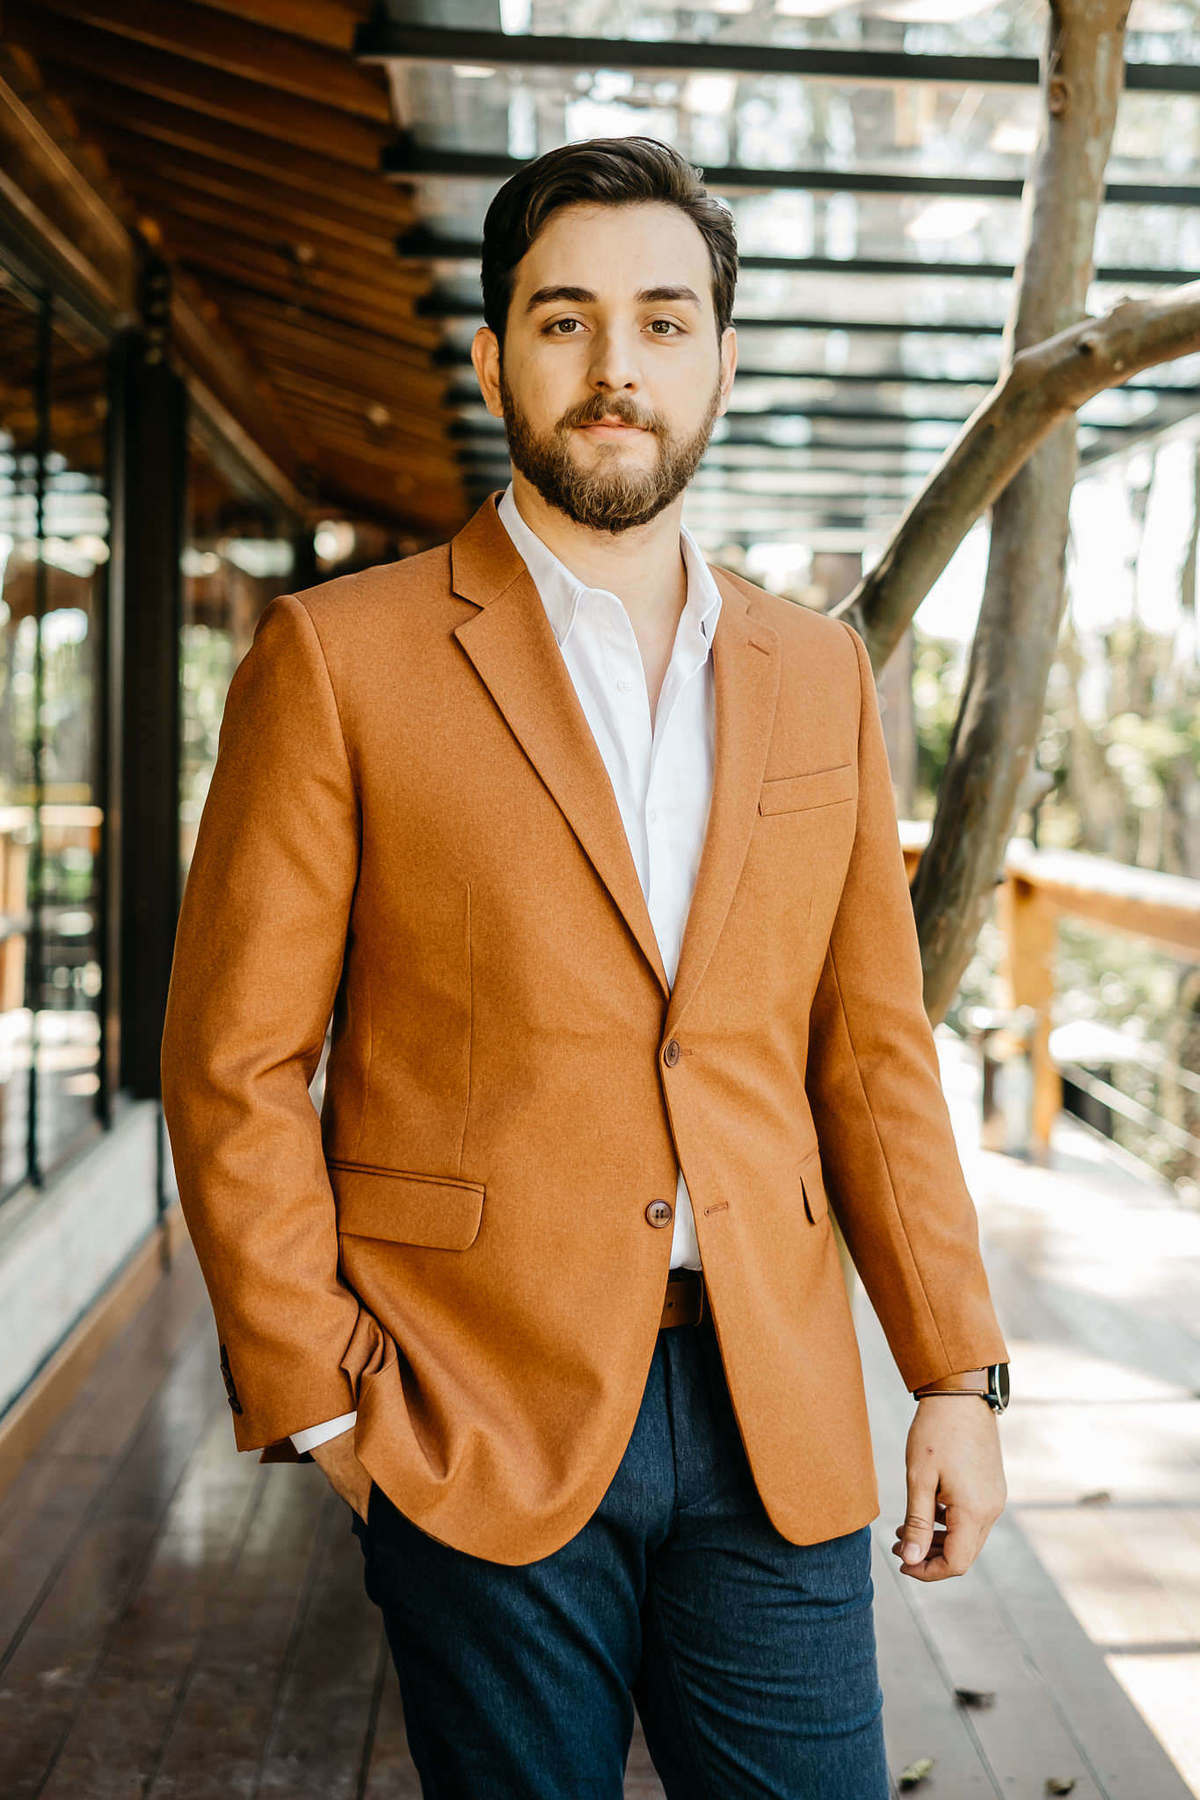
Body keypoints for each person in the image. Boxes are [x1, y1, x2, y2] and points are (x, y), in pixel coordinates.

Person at [159, 134, 1010, 1800]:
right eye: (565, 321)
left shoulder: (817, 669)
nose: (618, 367)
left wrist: (953, 1370)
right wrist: (328, 1410)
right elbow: (234, 1062)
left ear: (722, 358)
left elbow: (872, 1051)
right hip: (473, 1392)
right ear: (493, 355)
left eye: (663, 321)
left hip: (776, 1398)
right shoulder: (336, 660)